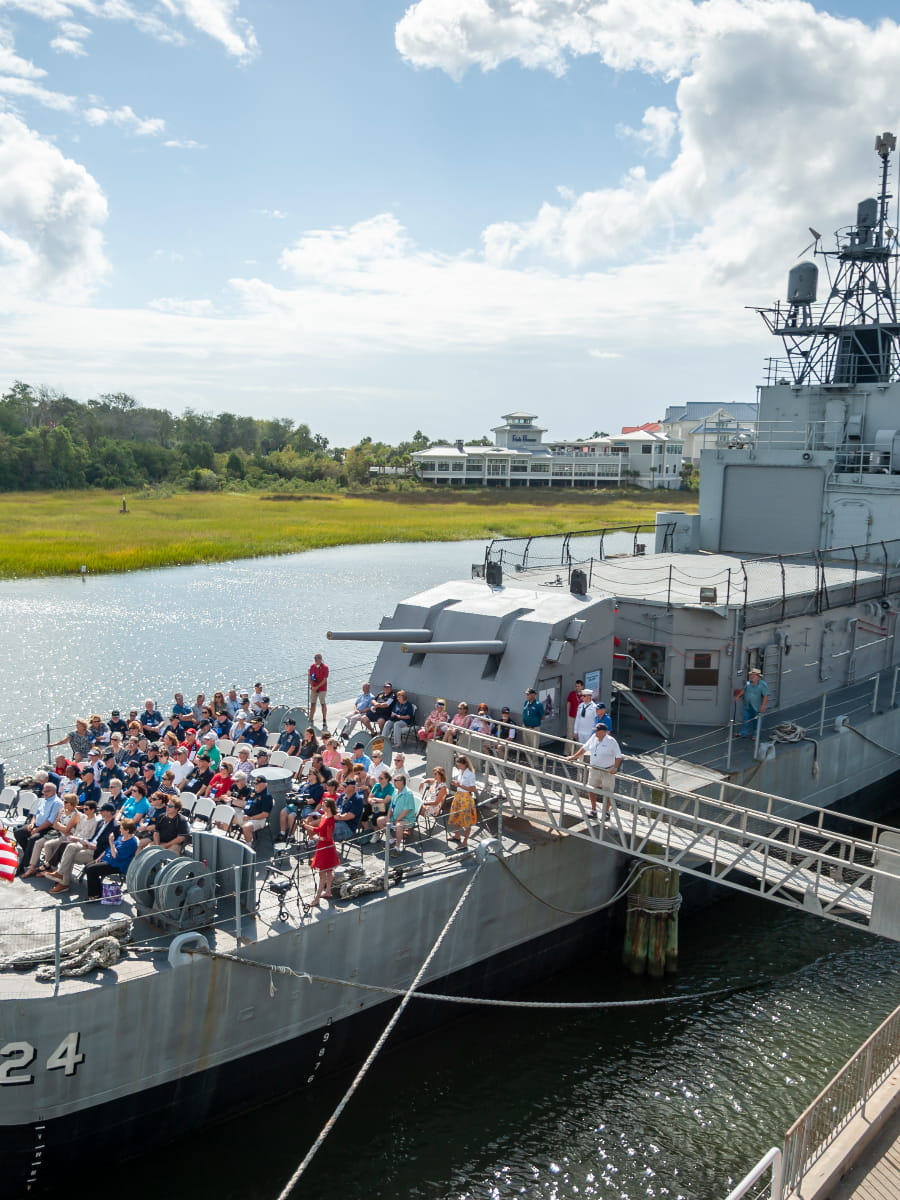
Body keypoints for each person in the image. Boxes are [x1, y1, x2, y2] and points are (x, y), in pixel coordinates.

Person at [47, 801, 117, 893]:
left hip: (97, 851)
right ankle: (60, 875)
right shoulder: (101, 822)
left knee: (69, 856)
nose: (100, 812)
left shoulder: (115, 826)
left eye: (102, 811)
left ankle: (63, 882)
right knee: (70, 846)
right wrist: (85, 841)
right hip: (89, 844)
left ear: (109, 812)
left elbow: (111, 845)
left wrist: (95, 847)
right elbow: (93, 837)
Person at [566, 725, 623, 820]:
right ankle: (593, 810)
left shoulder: (611, 741)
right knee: (591, 789)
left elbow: (618, 756)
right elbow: (584, 748)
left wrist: (615, 768)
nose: (595, 732)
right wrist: (573, 757)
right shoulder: (593, 737)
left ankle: (606, 812)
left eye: (597, 731)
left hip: (607, 770)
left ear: (604, 732)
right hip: (594, 769)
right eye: (595, 730)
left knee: (607, 792)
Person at [15, 783, 64, 875]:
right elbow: (35, 814)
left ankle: (23, 865)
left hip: (47, 828)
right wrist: (32, 823)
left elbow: (50, 821)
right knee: (18, 832)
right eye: (43, 791)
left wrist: (37, 830)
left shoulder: (57, 803)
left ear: (54, 791)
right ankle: (30, 854)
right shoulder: (43, 800)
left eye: (47, 791)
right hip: (36, 825)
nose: (44, 793)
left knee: (32, 840)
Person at [23, 795, 79, 876]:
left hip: (66, 837)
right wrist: (61, 827)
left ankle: (48, 867)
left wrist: (59, 826)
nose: (63, 803)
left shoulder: (76, 815)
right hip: (56, 833)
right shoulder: (62, 810)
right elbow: (55, 825)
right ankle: (32, 868)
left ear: (71, 803)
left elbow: (66, 830)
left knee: (48, 845)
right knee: (38, 843)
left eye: (65, 802)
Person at [84, 818, 138, 899]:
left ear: (127, 830)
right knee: (87, 867)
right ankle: (99, 890)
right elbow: (108, 849)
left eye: (121, 828)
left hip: (117, 865)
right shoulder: (121, 836)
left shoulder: (132, 843)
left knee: (91, 870)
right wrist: (99, 857)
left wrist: (111, 842)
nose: (119, 830)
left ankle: (94, 895)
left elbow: (116, 856)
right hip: (108, 859)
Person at [304, 798, 340, 905]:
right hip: (323, 846)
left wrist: (317, 837)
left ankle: (317, 898)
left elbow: (328, 837)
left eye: (324, 805)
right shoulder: (324, 816)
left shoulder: (330, 820)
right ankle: (328, 891)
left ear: (329, 807)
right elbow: (319, 829)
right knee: (328, 871)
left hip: (326, 847)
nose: (322, 807)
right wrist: (308, 827)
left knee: (322, 873)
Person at [378, 774, 420, 854]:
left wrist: (397, 820)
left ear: (402, 782)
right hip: (395, 817)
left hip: (407, 819)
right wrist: (388, 817)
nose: (394, 782)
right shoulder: (395, 791)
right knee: (380, 821)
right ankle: (391, 840)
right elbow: (391, 806)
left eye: (396, 780)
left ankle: (397, 847)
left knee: (398, 825)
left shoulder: (408, 793)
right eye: (393, 780)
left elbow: (407, 810)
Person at [448, 755, 478, 848]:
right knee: (455, 816)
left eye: (460, 765)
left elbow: (473, 789)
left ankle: (465, 842)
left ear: (465, 764)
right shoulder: (461, 771)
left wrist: (460, 785)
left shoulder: (471, 774)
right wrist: (457, 784)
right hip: (458, 796)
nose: (459, 767)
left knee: (466, 821)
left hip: (466, 798)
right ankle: (457, 835)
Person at [734, 668, 769, 737]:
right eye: (751, 675)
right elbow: (744, 690)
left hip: (757, 706)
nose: (751, 676)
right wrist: (738, 696)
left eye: (754, 675)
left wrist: (763, 705)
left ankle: (756, 735)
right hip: (747, 705)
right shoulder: (748, 683)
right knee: (745, 719)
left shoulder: (763, 684)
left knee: (757, 721)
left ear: (758, 677)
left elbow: (766, 695)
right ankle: (743, 733)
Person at [241, 776, 273, 843]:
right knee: (228, 817)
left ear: (264, 784)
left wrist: (250, 818)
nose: (255, 785)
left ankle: (249, 846)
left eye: (257, 784)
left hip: (257, 819)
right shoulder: (253, 791)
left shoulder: (267, 796)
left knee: (246, 827)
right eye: (255, 783)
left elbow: (265, 814)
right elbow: (245, 802)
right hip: (245, 814)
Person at [308, 653, 329, 729]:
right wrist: (313, 686)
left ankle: (324, 719)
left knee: (322, 703)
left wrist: (317, 687)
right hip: (314, 688)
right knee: (312, 704)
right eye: (315, 659)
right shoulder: (312, 667)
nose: (315, 660)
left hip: (322, 689)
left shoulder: (325, 667)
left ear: (320, 659)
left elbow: (324, 680)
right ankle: (311, 719)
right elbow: (310, 677)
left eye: (317, 659)